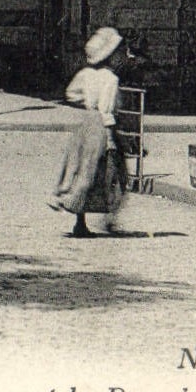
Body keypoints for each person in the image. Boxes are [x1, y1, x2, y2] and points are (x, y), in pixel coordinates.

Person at [50, 27, 129, 238]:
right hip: (102, 127)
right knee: (113, 173)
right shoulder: (110, 79)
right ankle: (110, 219)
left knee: (84, 170)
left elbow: (71, 94)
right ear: (110, 55)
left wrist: (87, 105)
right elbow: (107, 109)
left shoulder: (85, 74)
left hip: (86, 124)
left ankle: (80, 221)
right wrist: (111, 139)